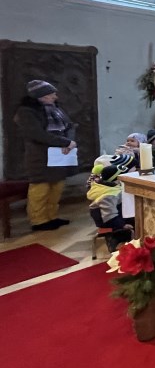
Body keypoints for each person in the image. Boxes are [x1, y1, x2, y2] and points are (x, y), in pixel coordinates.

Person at [14, 80, 77, 231]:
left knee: (57, 187)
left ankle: (52, 216)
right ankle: (39, 220)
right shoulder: (26, 112)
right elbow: (37, 134)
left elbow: (69, 126)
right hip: (40, 155)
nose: (55, 96)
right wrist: (64, 142)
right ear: (40, 96)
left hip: (60, 154)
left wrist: (69, 142)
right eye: (51, 94)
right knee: (41, 188)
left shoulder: (55, 109)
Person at [87, 161, 133, 252]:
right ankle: (115, 240)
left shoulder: (112, 188)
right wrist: (122, 225)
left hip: (114, 215)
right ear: (117, 181)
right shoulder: (108, 195)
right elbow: (109, 216)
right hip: (108, 220)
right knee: (133, 223)